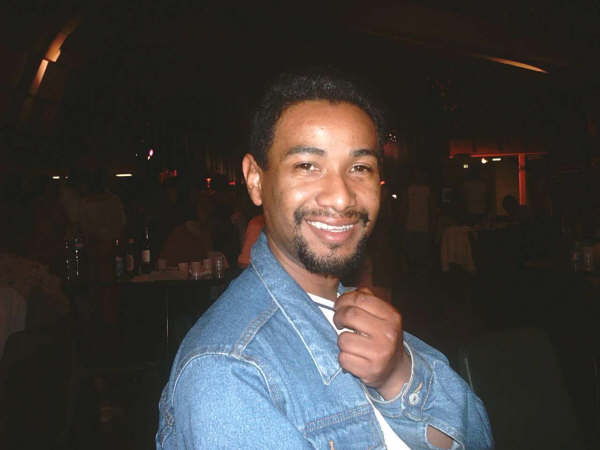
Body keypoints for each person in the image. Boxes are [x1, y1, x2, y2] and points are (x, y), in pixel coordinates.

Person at [157, 70, 493, 449]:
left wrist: (399, 376)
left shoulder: (366, 316)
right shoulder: (229, 370)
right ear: (255, 179)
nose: (341, 196)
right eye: (307, 166)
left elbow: (478, 436)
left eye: (360, 168)